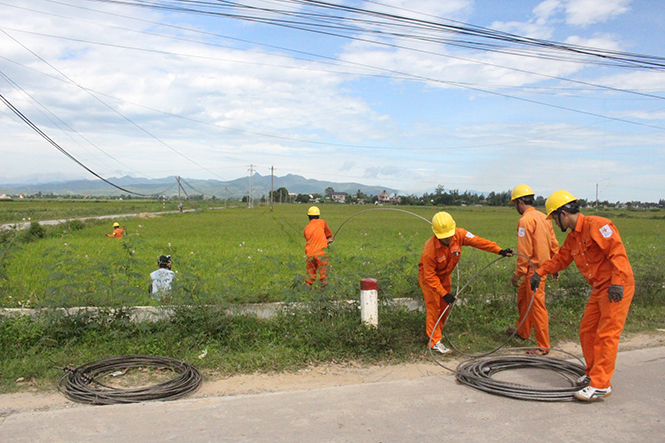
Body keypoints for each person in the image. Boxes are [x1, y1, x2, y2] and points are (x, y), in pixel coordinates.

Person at [530, 190, 634, 402]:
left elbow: (617, 254)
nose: (555, 223)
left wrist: (617, 283)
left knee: (607, 334)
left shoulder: (598, 225)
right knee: (587, 329)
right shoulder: (573, 237)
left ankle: (600, 384)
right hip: (599, 288)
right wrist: (539, 273)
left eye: (554, 217)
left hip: (616, 286)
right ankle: (592, 374)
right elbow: (561, 259)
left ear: (563, 214)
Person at [419, 211, 513, 354]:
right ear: (437, 235)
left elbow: (479, 242)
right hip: (429, 279)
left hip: (445, 276)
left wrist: (499, 251)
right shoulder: (429, 249)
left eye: (449, 235)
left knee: (445, 307)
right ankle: (434, 341)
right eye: (444, 237)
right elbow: (430, 276)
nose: (448, 239)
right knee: (434, 307)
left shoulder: (460, 234)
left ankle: (436, 331)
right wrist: (444, 293)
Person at [508, 184, 559, 355]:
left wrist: (517, 275)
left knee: (537, 307)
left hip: (534, 273)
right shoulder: (544, 217)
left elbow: (524, 252)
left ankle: (543, 346)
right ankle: (522, 331)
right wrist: (555, 265)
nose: (515, 207)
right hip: (542, 268)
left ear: (520, 202)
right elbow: (553, 243)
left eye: (515, 203)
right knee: (523, 298)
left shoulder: (524, 221)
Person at [304, 206, 334, 286]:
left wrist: (325, 241)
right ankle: (323, 293)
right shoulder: (322, 222)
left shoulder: (306, 228)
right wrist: (328, 240)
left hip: (309, 254)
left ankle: (306, 292)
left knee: (309, 277)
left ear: (309, 217)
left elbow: (311, 240)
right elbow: (329, 234)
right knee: (324, 275)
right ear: (319, 216)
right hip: (320, 254)